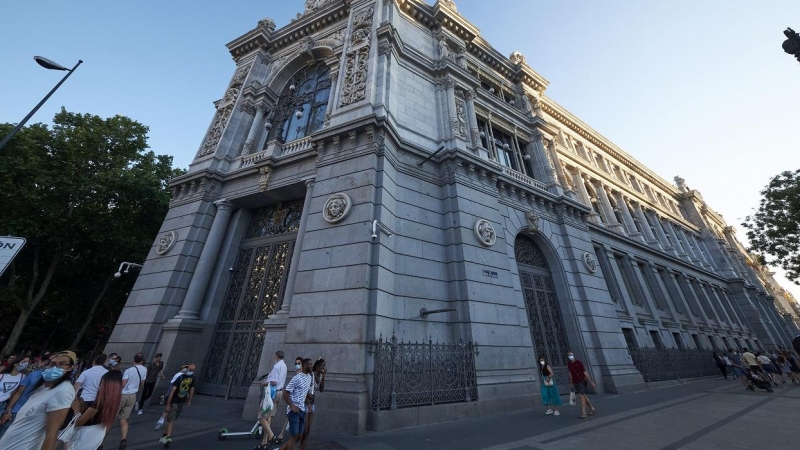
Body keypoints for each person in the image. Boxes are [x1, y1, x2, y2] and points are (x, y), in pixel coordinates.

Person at [0, 350, 77, 450]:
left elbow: (51, 434)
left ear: (70, 367)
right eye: (53, 363)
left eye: (62, 364)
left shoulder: (63, 391)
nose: (55, 367)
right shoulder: (42, 387)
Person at [66, 371, 122, 450]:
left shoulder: (100, 402)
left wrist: (76, 408)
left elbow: (79, 422)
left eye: (102, 383)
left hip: (86, 435)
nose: (99, 386)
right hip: (98, 433)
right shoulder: (114, 400)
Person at [114, 352, 147, 450]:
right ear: (142, 360)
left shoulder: (129, 370)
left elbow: (123, 383)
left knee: (111, 417)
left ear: (133, 359)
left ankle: (100, 443)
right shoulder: (144, 369)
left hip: (123, 395)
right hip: (133, 395)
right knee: (124, 419)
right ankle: (123, 439)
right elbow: (142, 383)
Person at [278, 358, 313, 450]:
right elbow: (285, 392)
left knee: (299, 436)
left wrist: (309, 402)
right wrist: (292, 406)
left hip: (302, 410)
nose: (311, 366)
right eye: (310, 364)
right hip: (294, 410)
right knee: (294, 436)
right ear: (305, 366)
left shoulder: (309, 378)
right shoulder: (297, 378)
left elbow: (304, 393)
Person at [159, 363, 196, 447]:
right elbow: (172, 391)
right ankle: (168, 437)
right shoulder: (180, 377)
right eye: (190, 370)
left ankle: (164, 435)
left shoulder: (192, 377)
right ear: (187, 369)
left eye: (192, 371)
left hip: (181, 401)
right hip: (174, 401)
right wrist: (168, 404)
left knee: (172, 419)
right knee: (171, 420)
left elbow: (192, 388)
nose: (191, 372)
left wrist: (189, 400)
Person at [257, 350, 287, 449]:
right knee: (268, 417)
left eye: (274, 356)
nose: (274, 357)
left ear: (276, 356)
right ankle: (265, 442)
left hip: (272, 393)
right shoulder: (284, 366)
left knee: (262, 417)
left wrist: (265, 382)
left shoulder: (276, 366)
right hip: (280, 392)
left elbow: (274, 382)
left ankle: (271, 436)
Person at [273, 357, 303, 446]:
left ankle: (288, 436)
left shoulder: (303, 375)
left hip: (299, 400)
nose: (297, 365)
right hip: (292, 399)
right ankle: (283, 434)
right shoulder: (296, 373)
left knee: (295, 419)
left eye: (299, 363)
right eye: (296, 363)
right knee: (289, 416)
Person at [299, 358, 326, 450]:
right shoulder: (311, 375)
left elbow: (322, 389)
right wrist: (307, 399)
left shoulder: (320, 376)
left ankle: (302, 447)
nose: (324, 368)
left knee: (308, 429)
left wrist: (324, 376)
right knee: (305, 428)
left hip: (312, 402)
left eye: (324, 366)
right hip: (306, 401)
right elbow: (305, 387)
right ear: (318, 366)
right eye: (322, 366)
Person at [0, 356, 29, 439]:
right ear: (16, 363)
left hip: (3, 405)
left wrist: (7, 410)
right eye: (24, 361)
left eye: (27, 362)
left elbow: (16, 393)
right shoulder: (2, 375)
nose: (25, 364)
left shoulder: (22, 377)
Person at [155, 365, 189, 431]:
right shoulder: (180, 375)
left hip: (177, 396)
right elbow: (173, 387)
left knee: (171, 409)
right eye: (186, 368)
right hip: (175, 396)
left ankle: (161, 422)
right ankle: (161, 422)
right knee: (170, 409)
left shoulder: (182, 375)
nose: (187, 370)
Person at [567, 351, 596, 419]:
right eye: (568, 355)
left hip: (581, 381)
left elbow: (584, 372)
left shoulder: (578, 362)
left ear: (573, 355)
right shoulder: (569, 364)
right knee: (583, 396)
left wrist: (591, 382)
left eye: (571, 354)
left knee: (581, 396)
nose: (570, 356)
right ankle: (592, 408)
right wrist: (571, 383)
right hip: (575, 382)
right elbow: (570, 373)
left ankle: (583, 412)